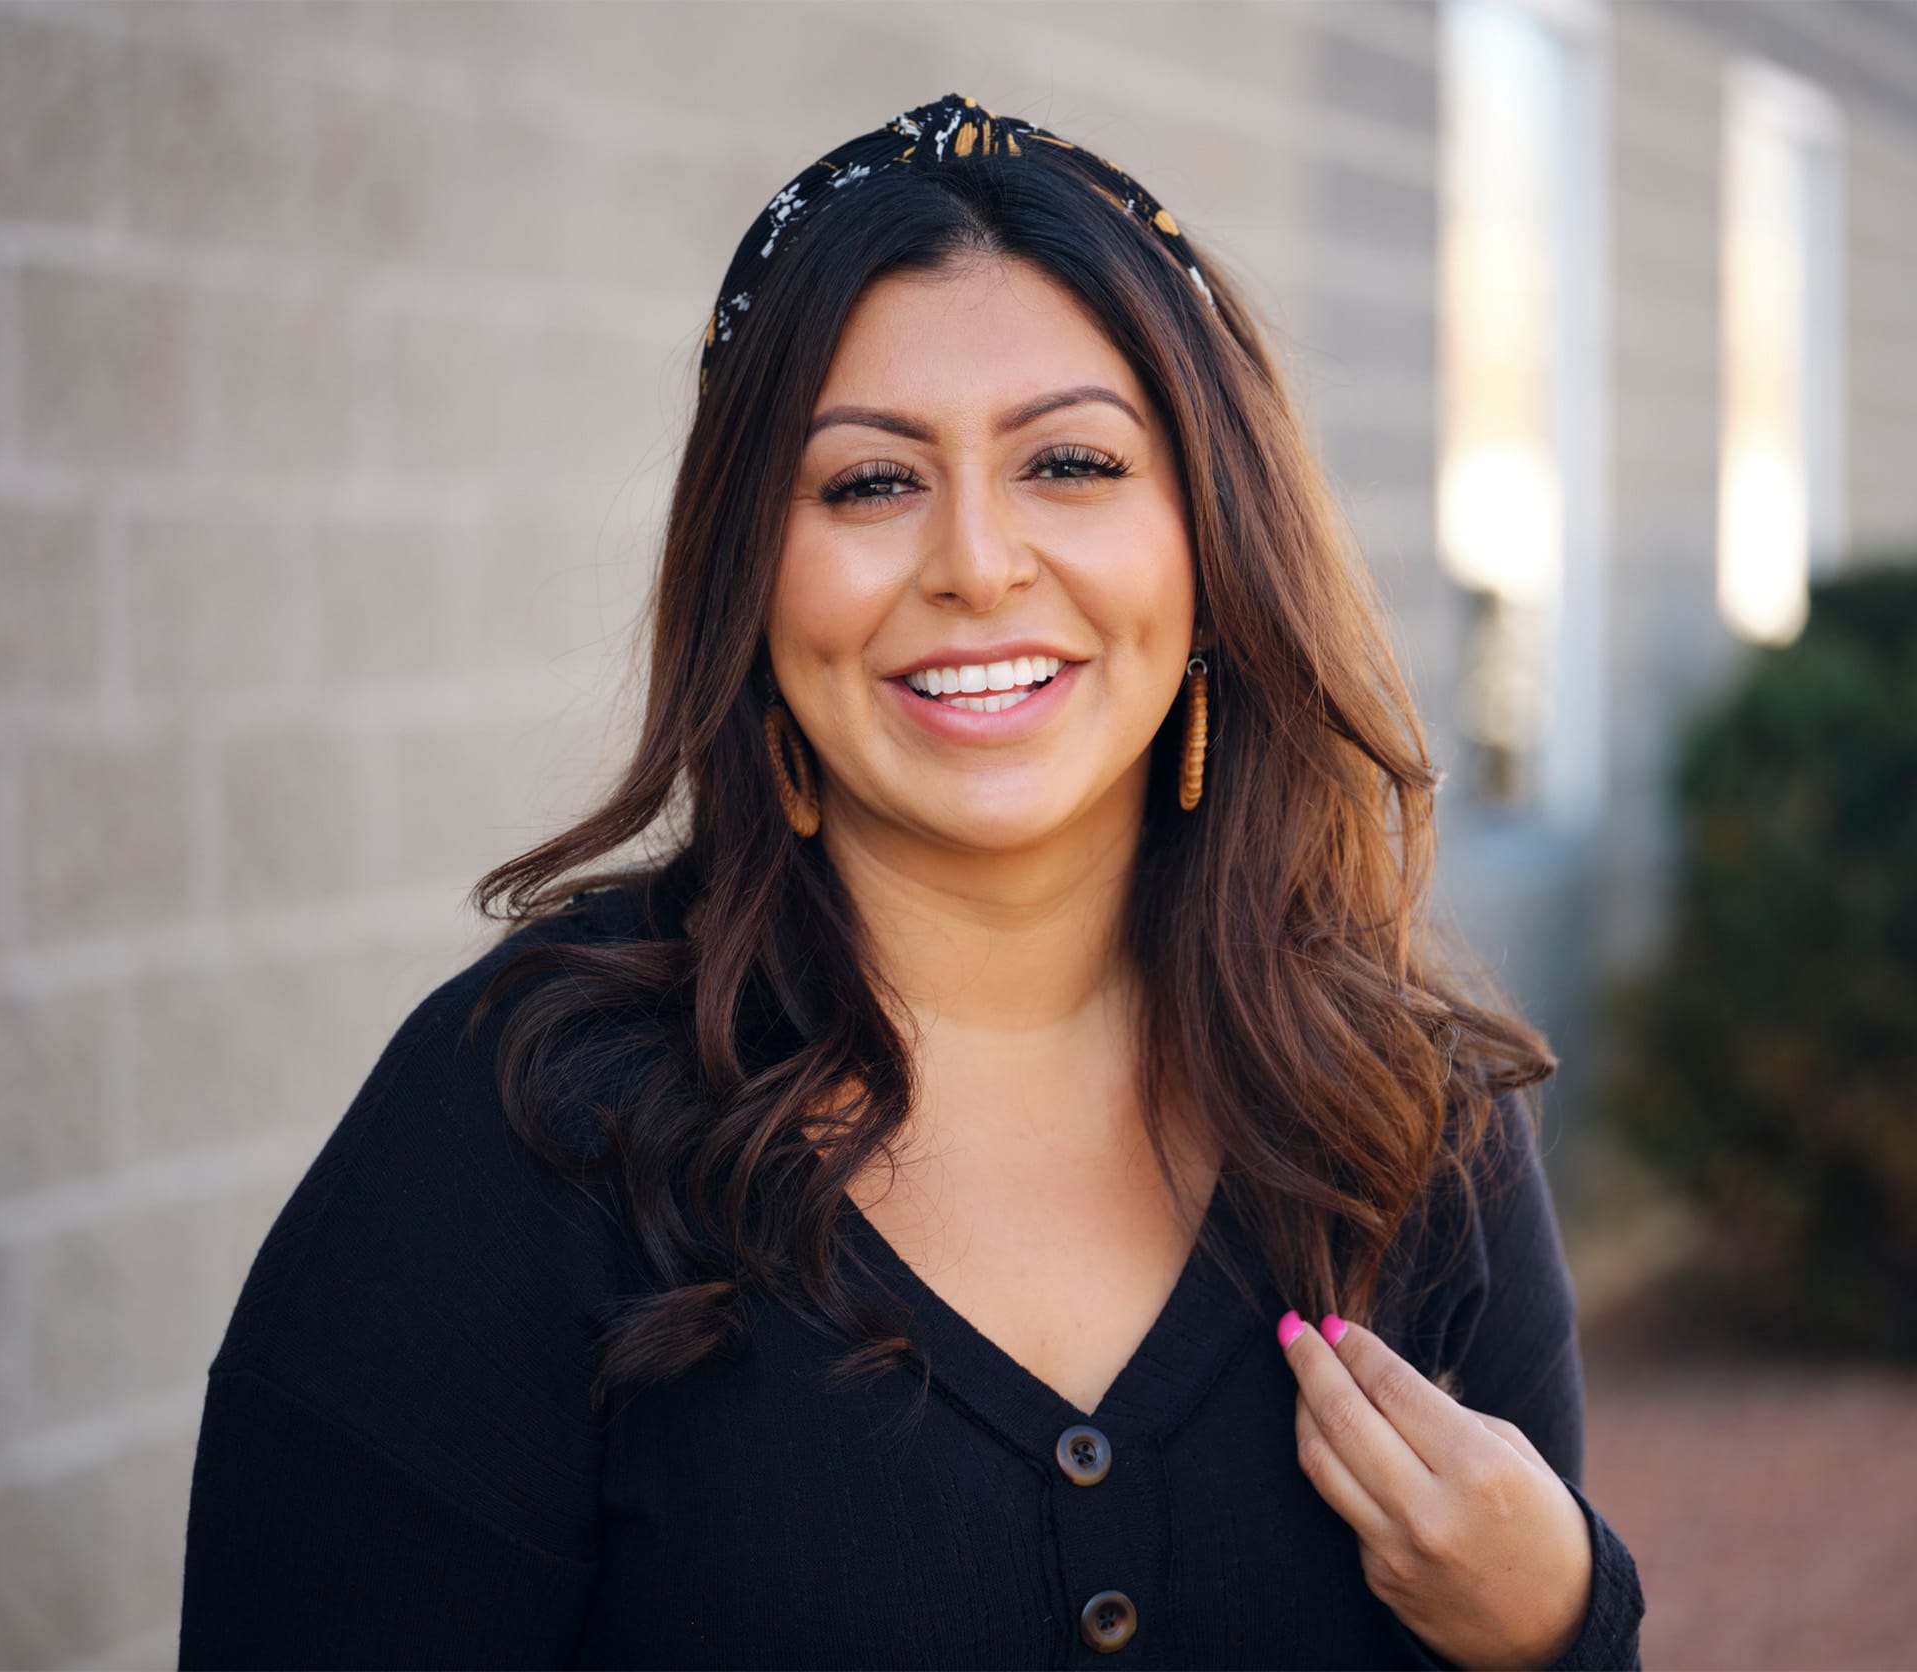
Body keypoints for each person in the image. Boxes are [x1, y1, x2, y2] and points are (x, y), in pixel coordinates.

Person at [179, 92, 1646, 1670]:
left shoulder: (1408, 1116)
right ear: (751, 577)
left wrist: (1563, 1621)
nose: (976, 564)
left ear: (1215, 545)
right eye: (871, 484)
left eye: (1069, 462)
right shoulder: (521, 1124)